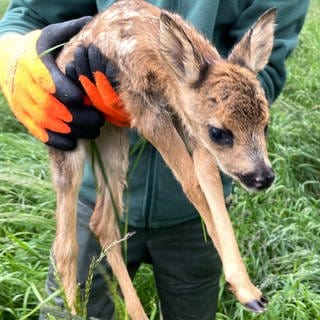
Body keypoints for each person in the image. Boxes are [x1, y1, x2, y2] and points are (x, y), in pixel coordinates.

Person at [0, 1, 310, 319]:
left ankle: (233, 271)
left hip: (188, 221)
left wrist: (202, 110)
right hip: (92, 180)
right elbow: (31, 13)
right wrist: (14, 59)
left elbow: (261, 75)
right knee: (70, 309)